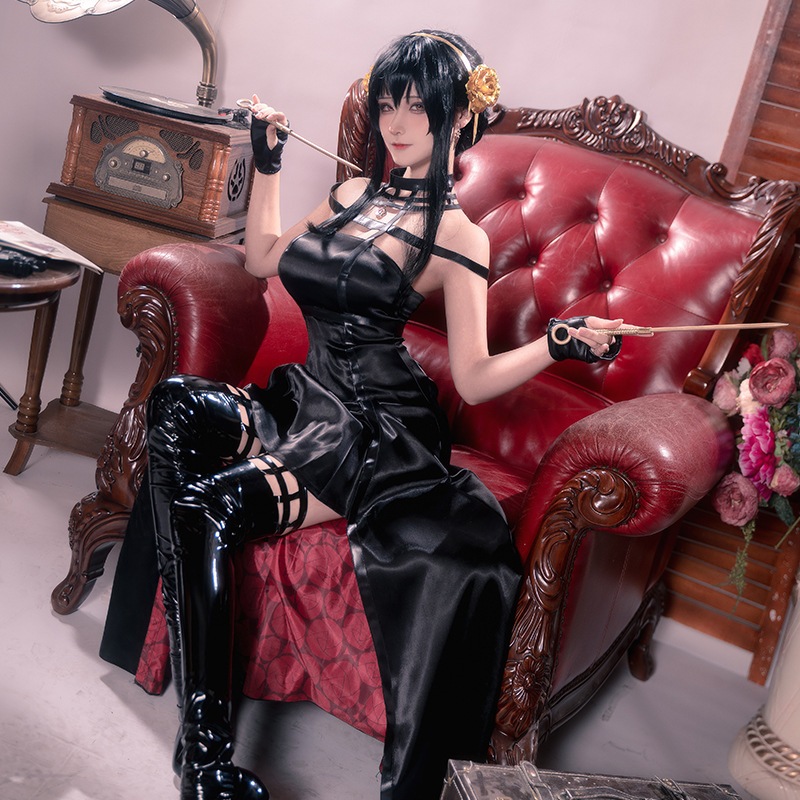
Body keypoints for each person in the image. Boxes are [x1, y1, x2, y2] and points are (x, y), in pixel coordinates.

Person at [133, 29, 623, 800]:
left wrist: (554, 344)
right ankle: (189, 692)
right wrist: (268, 164)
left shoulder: (457, 235)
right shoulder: (351, 194)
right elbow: (261, 260)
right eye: (389, 104)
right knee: (174, 405)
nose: (396, 123)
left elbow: (474, 377)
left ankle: (203, 758)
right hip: (306, 400)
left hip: (373, 432)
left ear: (459, 118)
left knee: (206, 507)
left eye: (418, 108)